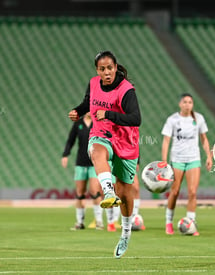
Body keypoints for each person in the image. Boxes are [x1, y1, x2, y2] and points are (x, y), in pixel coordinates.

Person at [68, 50, 141, 258]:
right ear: (97, 71)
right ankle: (107, 192)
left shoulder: (126, 90)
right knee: (96, 151)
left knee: (126, 193)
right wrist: (78, 111)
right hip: (102, 135)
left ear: (116, 68)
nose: (107, 72)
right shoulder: (93, 84)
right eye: (102, 69)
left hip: (126, 141)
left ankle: (125, 233)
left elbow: (136, 119)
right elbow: (87, 103)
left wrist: (108, 114)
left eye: (110, 68)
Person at [161, 93, 213, 236]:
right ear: (180, 104)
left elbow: (204, 139)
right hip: (177, 159)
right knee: (175, 191)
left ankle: (191, 223)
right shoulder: (172, 120)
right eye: (185, 102)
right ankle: (168, 222)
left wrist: (209, 156)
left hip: (193, 159)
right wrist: (164, 161)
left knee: (192, 192)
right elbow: (166, 141)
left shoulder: (199, 118)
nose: (187, 104)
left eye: (190, 102)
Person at [61, 112, 104, 231]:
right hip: (80, 162)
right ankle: (80, 222)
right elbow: (71, 140)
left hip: (94, 162)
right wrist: (65, 154)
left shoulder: (98, 123)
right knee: (80, 192)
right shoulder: (78, 124)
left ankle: (99, 221)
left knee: (94, 191)